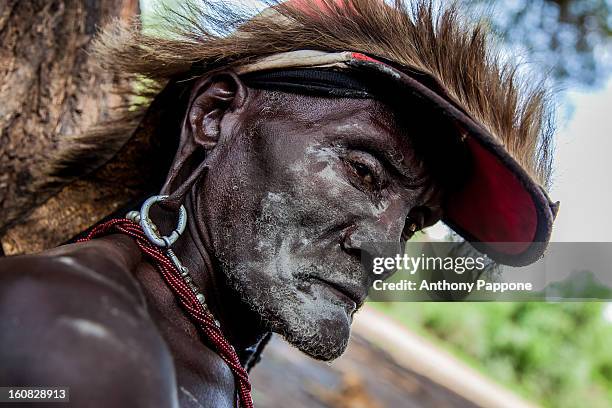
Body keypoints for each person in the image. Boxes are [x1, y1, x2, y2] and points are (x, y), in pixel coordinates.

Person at [0, 0, 558, 407]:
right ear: (215, 116)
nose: (385, 247)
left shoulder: (190, 345)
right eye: (363, 171)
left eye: (414, 222)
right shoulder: (83, 343)